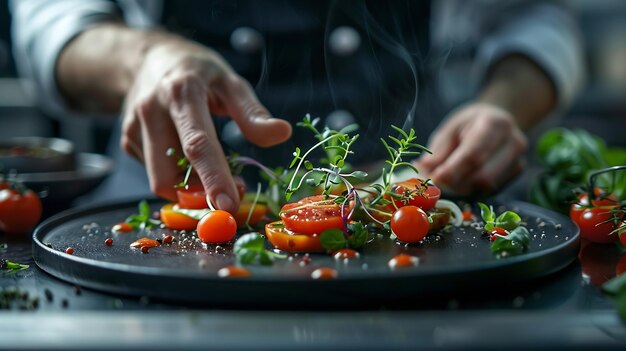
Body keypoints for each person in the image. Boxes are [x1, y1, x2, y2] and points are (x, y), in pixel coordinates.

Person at [10, 0, 584, 213]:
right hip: (159, 210)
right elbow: (50, 19)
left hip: (409, 215)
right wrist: (145, 60)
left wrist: (501, 105)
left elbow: (538, 17)